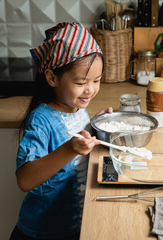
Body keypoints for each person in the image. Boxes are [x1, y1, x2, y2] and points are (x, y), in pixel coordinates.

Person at [10, 22, 112, 240]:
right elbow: (24, 180)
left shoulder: (76, 107)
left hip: (74, 223)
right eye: (81, 82)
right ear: (52, 77)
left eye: (97, 80)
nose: (91, 89)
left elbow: (75, 132)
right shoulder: (41, 119)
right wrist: (70, 149)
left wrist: (95, 123)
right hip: (43, 231)